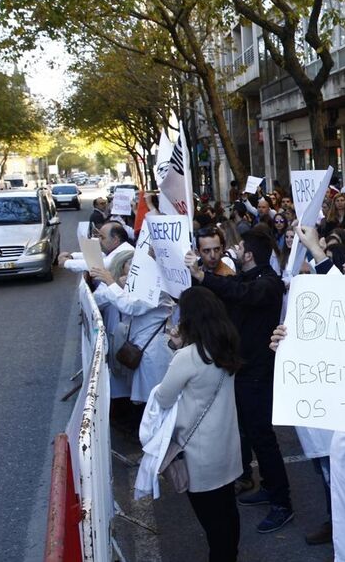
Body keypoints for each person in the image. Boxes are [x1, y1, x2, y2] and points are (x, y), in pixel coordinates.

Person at [186, 230, 293, 534]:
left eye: (239, 246)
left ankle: (282, 503)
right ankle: (270, 487)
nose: (233, 249)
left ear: (248, 255)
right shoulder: (247, 278)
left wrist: (206, 278)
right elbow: (230, 287)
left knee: (263, 437)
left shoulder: (268, 283)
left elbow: (240, 294)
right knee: (250, 432)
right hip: (244, 369)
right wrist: (201, 275)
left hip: (258, 372)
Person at [155, 287, 242, 562]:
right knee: (228, 514)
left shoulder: (187, 357)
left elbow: (163, 396)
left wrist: (176, 350)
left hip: (199, 454)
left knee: (213, 524)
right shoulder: (227, 345)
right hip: (227, 447)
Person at [90, 250, 174, 404]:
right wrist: (117, 286)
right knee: (145, 399)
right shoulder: (140, 283)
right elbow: (99, 299)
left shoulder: (158, 287)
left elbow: (130, 306)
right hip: (141, 346)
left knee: (154, 400)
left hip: (154, 350)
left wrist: (111, 283)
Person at [59, 220, 134, 272]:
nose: (99, 240)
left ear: (115, 240)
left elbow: (100, 265)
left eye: (102, 237)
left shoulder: (126, 251)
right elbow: (100, 255)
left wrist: (67, 263)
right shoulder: (118, 249)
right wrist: (72, 256)